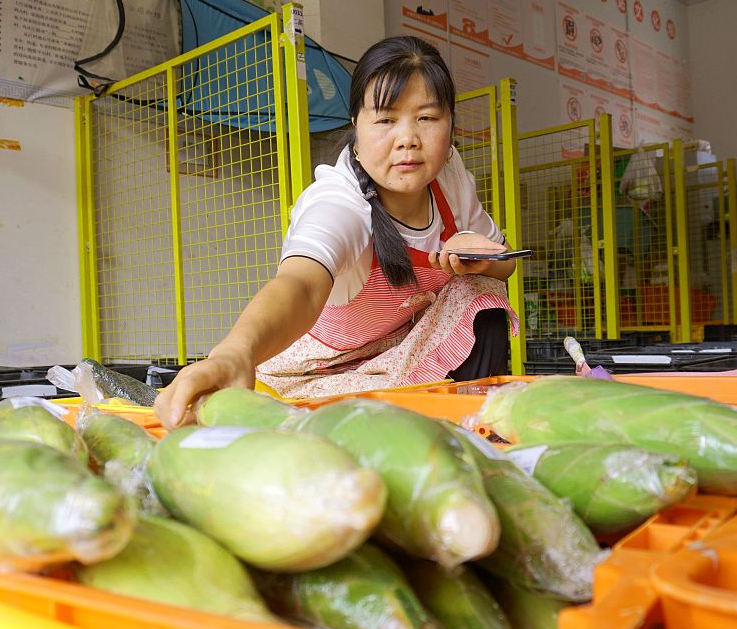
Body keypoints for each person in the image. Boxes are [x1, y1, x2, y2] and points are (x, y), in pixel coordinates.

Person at [155, 35, 517, 428]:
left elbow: (505, 265)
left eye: (427, 118)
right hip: (314, 376)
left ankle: (473, 428)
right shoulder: (338, 201)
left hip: (394, 356)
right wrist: (234, 354)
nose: (408, 139)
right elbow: (301, 285)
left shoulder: (450, 179)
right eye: (385, 119)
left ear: (450, 125)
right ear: (356, 129)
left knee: (480, 294)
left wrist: (479, 257)